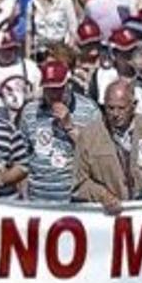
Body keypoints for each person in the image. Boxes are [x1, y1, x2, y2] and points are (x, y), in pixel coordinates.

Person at [18, 60, 112, 204]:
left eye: (58, 89)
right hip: (38, 199)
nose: (54, 95)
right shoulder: (30, 112)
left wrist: (70, 127)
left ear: (68, 85)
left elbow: (98, 154)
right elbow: (22, 157)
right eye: (49, 89)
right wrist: (24, 197)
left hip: (74, 199)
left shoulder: (89, 110)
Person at [102, 78, 142, 200]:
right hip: (109, 210)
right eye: (110, 108)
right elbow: (81, 181)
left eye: (121, 108)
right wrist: (102, 194)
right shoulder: (90, 135)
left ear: (134, 105)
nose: (115, 114)